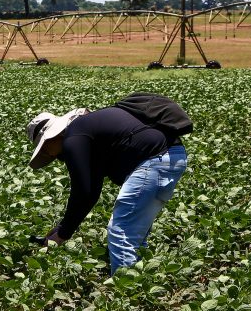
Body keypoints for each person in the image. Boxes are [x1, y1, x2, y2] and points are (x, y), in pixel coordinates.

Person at [26, 101, 188, 273]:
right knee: (134, 234)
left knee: (122, 232)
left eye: (44, 149)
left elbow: (82, 191)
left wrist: (62, 234)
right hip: (173, 156)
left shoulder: (73, 138)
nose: (49, 155)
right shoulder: (86, 133)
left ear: (51, 138)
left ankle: (125, 286)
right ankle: (140, 278)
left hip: (154, 160)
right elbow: (91, 192)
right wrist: (63, 228)